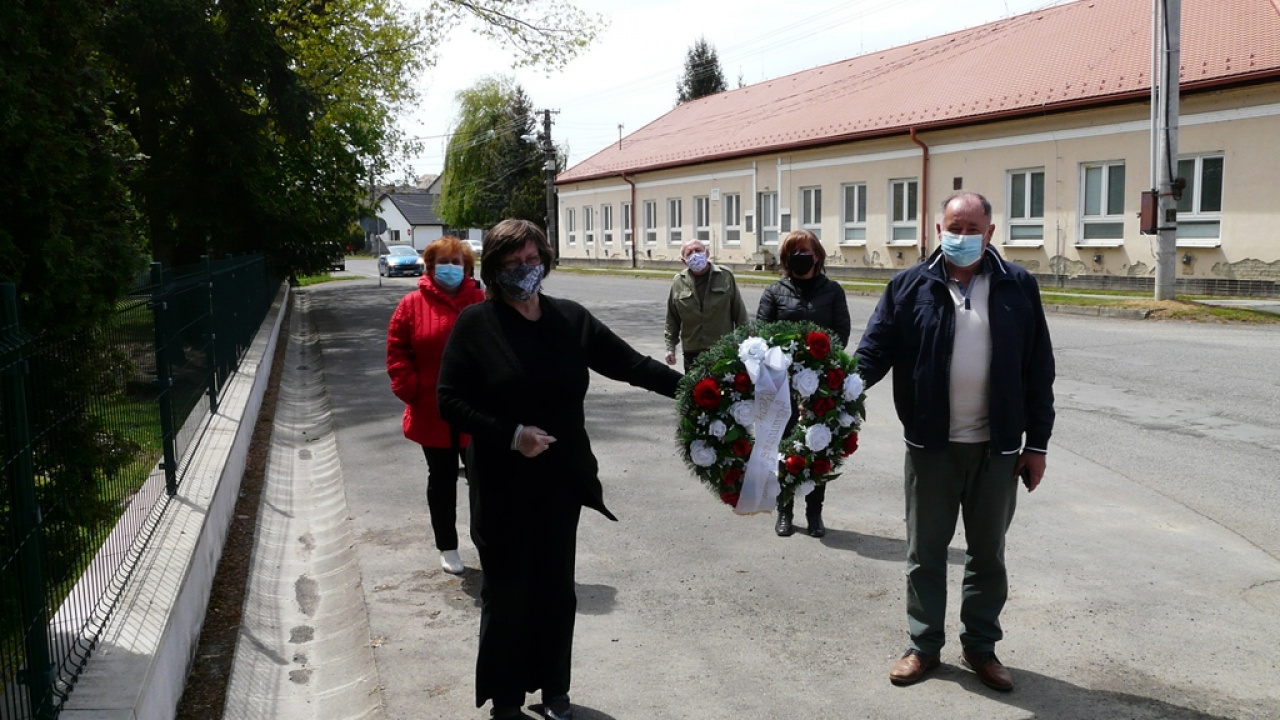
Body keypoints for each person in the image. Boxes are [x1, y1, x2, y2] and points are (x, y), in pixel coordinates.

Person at [437, 219, 682, 720]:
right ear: (494, 270)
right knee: (507, 590)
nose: (524, 270)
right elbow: (449, 401)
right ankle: (506, 699)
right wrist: (513, 435)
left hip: (559, 481)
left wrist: (700, 390)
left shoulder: (570, 319)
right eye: (512, 263)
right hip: (502, 482)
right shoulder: (476, 325)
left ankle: (555, 691)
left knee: (554, 588)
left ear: (545, 261)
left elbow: (633, 366)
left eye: (531, 259)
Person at [854, 192, 1055, 692]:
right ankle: (923, 646)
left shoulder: (1017, 285)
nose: (962, 237)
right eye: (954, 227)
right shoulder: (908, 286)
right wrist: (834, 391)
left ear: (990, 233)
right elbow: (873, 352)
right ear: (938, 229)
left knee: (988, 555)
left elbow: (1038, 368)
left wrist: (1037, 445)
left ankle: (981, 647)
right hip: (931, 448)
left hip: (997, 449)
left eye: (972, 229)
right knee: (925, 552)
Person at [386, 236, 486, 575]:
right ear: (430, 267)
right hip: (432, 411)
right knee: (442, 481)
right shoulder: (411, 304)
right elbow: (397, 350)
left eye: (457, 262)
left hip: (477, 412)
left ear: (467, 268)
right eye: (443, 262)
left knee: (484, 482)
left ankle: (489, 545)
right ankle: (448, 546)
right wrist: (410, 389)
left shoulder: (483, 302)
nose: (450, 268)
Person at [756, 229, 851, 538]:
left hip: (821, 384)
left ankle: (814, 512)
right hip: (782, 383)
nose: (800, 257)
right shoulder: (774, 292)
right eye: (793, 252)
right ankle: (784, 510)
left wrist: (818, 360)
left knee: (818, 446)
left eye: (805, 251)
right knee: (785, 447)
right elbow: (760, 334)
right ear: (786, 259)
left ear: (817, 256)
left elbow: (841, 333)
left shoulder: (832, 291)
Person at [664, 238, 749, 371]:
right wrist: (670, 348)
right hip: (692, 353)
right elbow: (672, 319)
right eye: (689, 253)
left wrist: (745, 345)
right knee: (695, 385)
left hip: (722, 350)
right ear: (684, 261)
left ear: (707, 253)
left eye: (698, 250)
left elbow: (740, 314)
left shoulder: (725, 276)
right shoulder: (678, 282)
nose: (695, 255)